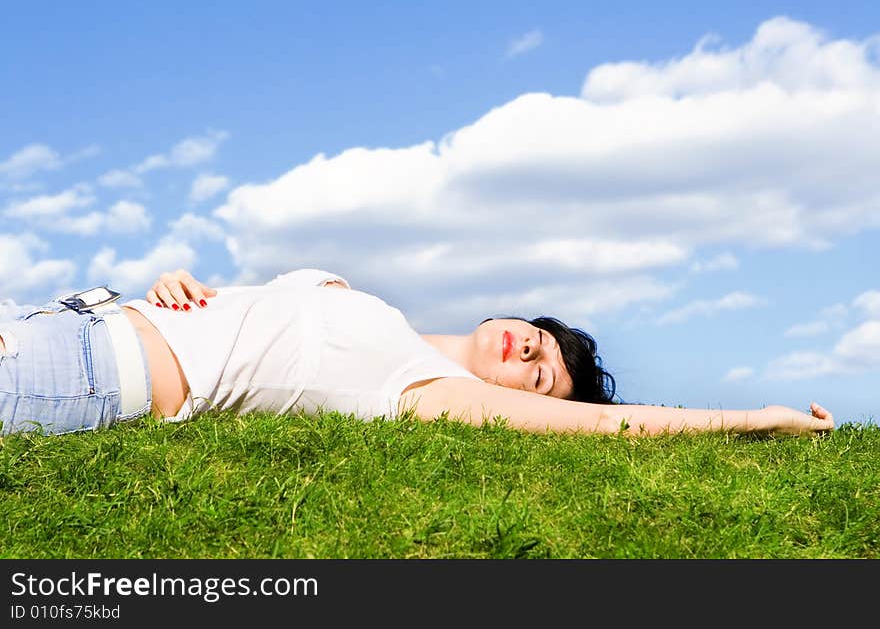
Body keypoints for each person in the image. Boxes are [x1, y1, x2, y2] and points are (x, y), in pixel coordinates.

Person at [0, 268, 834, 438]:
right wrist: (178, 280)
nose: (526, 351)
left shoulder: (426, 389)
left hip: (83, 377)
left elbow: (620, 429)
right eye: (537, 339)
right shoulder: (361, 298)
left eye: (538, 374)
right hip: (71, 315)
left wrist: (758, 419)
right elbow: (237, 310)